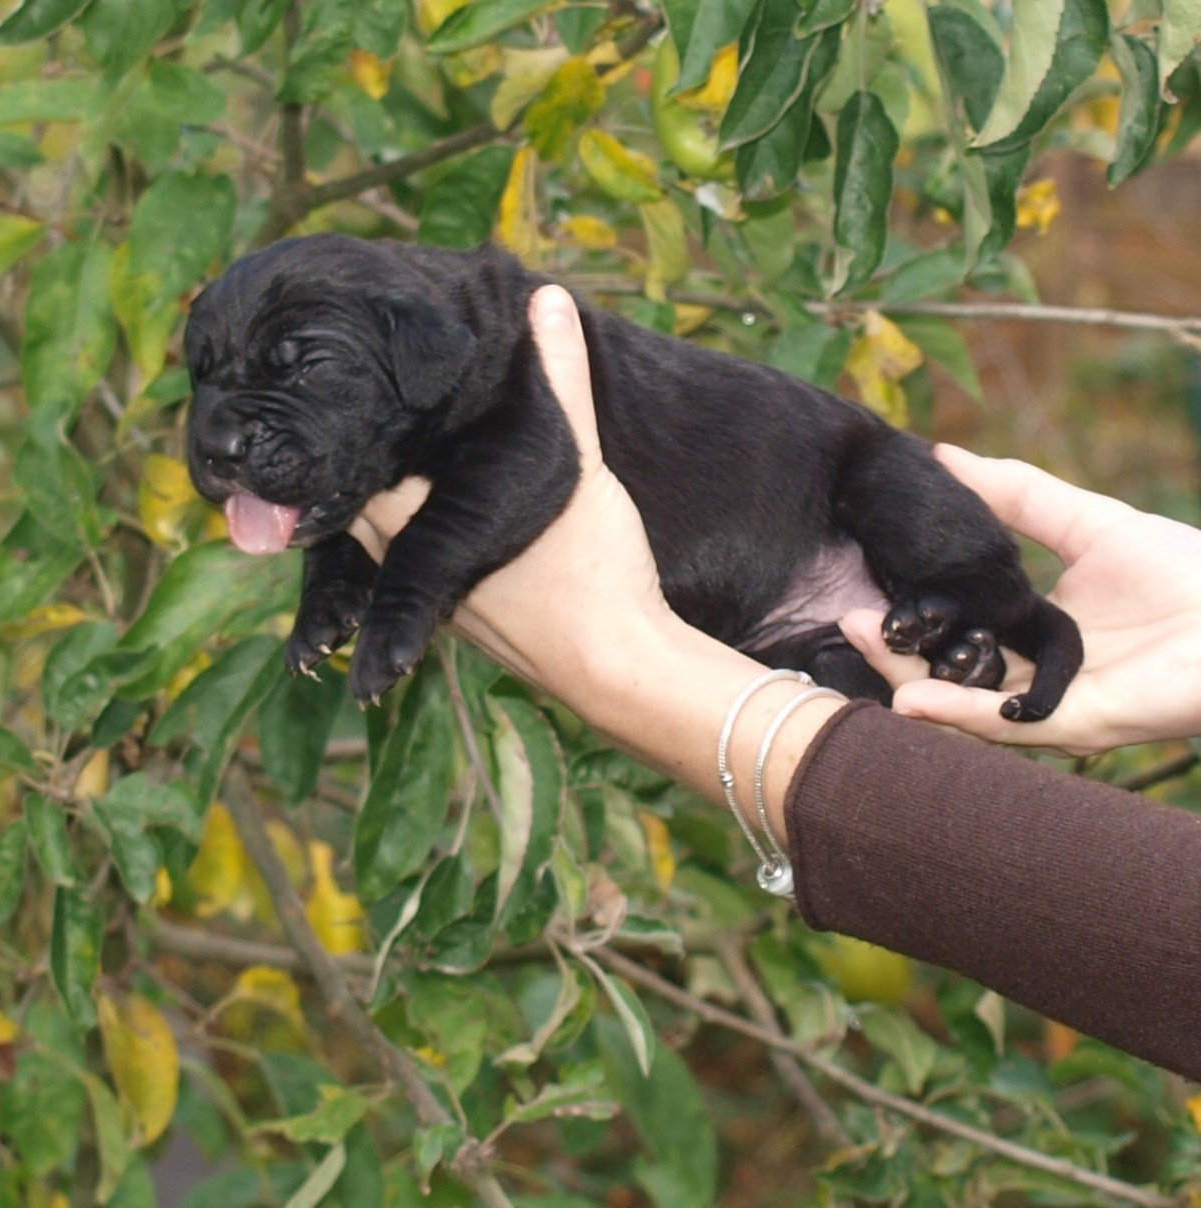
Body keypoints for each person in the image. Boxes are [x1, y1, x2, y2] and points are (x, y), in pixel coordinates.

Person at [351, 285, 1201, 1080]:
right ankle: (949, 623)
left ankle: (953, 619)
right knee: (882, 648)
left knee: (900, 620)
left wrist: (633, 671)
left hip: (817, 582)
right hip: (809, 592)